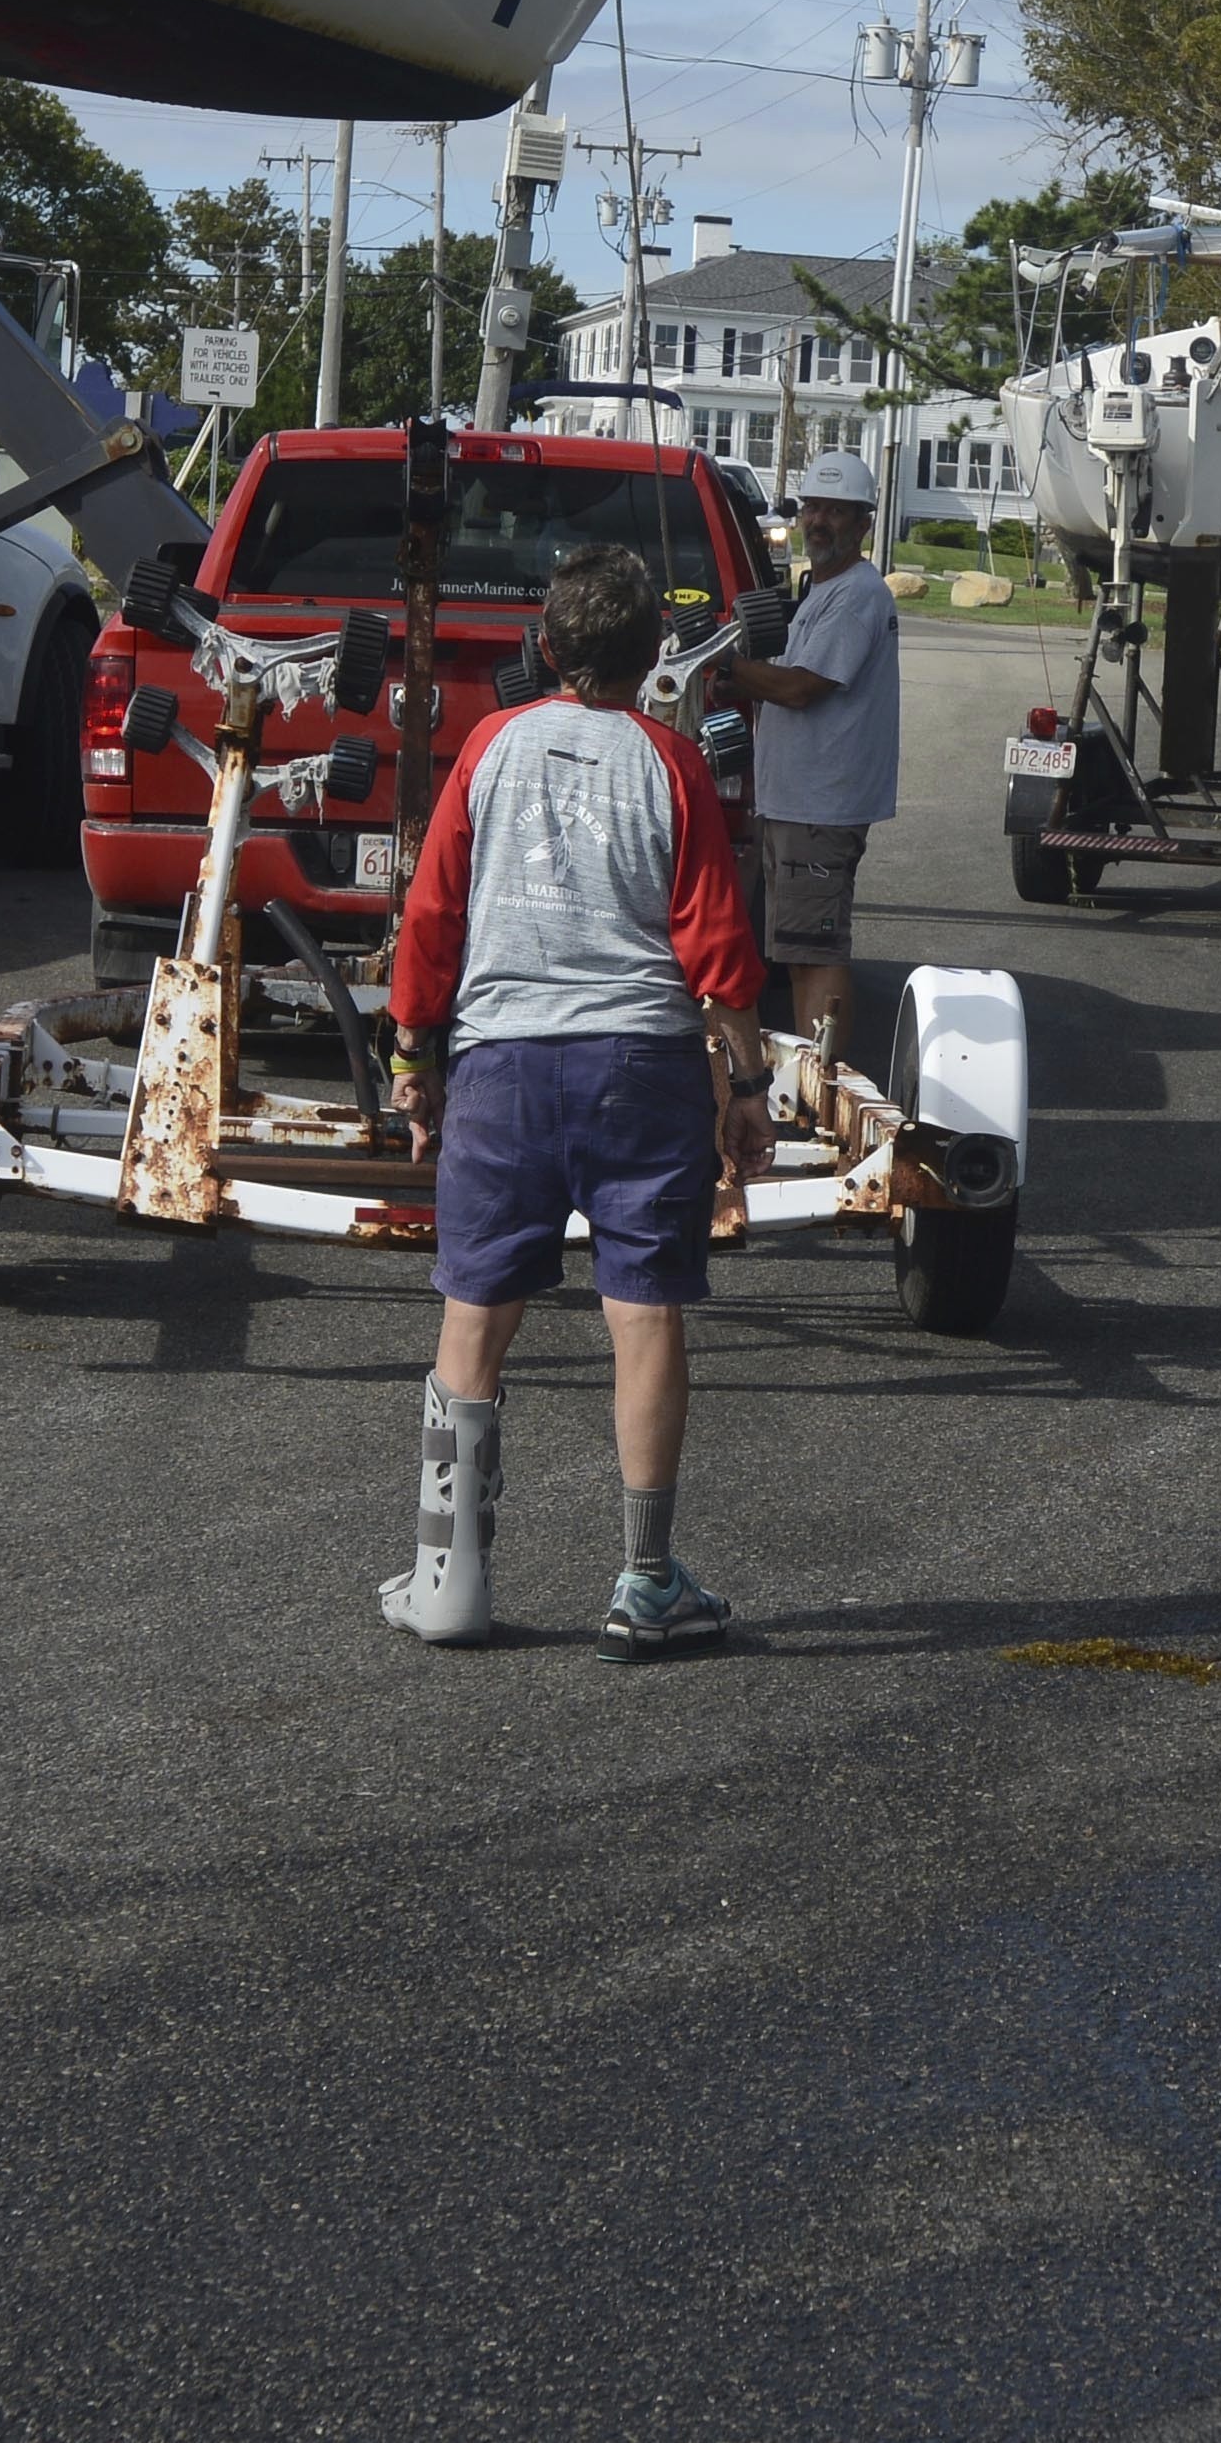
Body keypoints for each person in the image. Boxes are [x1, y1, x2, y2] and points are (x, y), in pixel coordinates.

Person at [380, 537, 766, 1658]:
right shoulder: (672, 761)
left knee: (475, 1311)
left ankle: (448, 1579)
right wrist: (744, 1087)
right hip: (641, 1066)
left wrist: (416, 1060)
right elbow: (716, 947)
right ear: (653, 658)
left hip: (502, 1064)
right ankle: (646, 1583)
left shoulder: (490, 747)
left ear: (544, 647)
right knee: (642, 1311)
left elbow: (434, 913)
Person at [729, 442, 904, 1051]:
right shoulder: (822, 590)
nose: (819, 521)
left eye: (837, 510)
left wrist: (723, 668)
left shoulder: (858, 594)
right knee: (798, 952)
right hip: (795, 803)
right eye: (812, 508)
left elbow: (803, 688)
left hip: (820, 808)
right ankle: (811, 1083)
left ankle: (827, 1090)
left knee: (816, 953)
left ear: (864, 523)